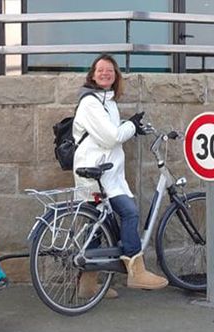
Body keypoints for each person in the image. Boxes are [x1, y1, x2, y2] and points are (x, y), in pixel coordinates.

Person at [72, 54, 168, 298]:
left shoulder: (109, 102)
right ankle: (137, 272)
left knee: (96, 225)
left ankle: (87, 285)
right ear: (92, 75)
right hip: (95, 174)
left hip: (106, 174)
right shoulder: (90, 103)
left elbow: (111, 132)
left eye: (110, 71)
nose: (105, 73)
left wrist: (130, 127)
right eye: (100, 70)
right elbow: (111, 137)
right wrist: (131, 126)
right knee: (129, 212)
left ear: (116, 77)